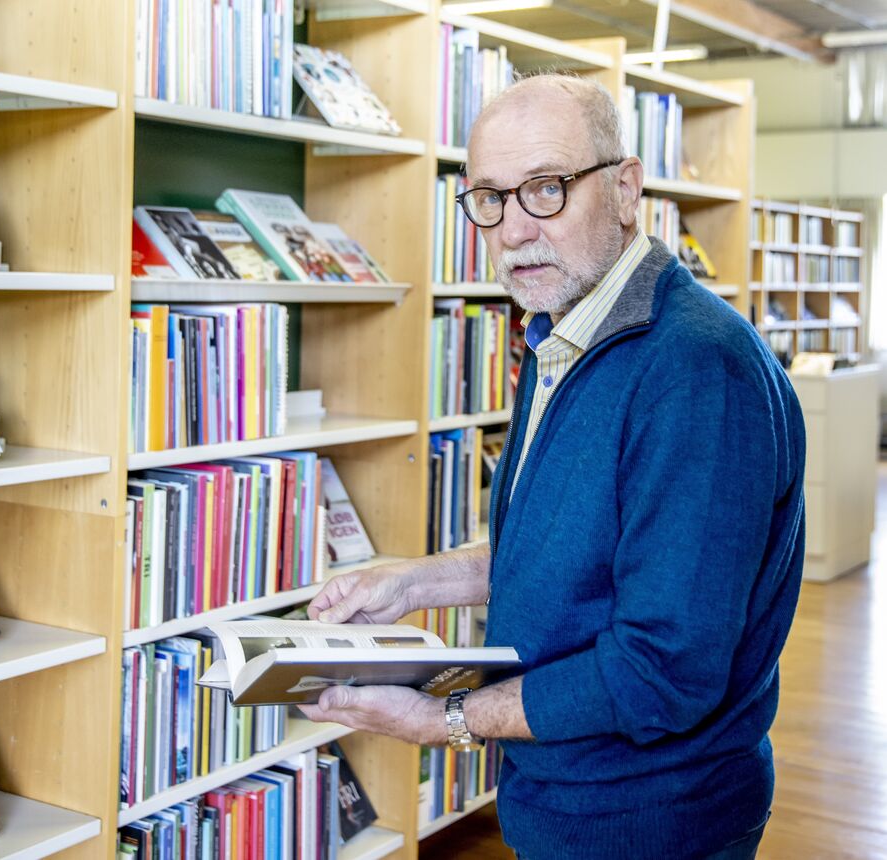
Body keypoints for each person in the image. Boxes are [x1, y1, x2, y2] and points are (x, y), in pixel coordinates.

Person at [300, 74, 806, 860]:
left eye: (546, 189)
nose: (511, 229)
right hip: (563, 801)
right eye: (488, 198)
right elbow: (573, 550)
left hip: (652, 819)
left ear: (626, 188)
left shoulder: (695, 372)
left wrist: (451, 721)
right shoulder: (561, 334)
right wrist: (411, 585)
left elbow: (662, 669)